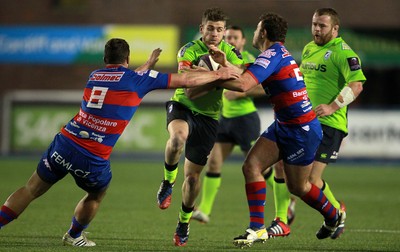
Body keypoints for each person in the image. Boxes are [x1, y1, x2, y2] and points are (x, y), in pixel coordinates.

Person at [0, 38, 239, 247]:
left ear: (106, 58)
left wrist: (147, 65)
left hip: (65, 141)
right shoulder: (138, 80)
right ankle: (74, 235)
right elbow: (184, 81)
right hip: (92, 155)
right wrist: (220, 74)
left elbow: (124, 77)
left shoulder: (95, 75)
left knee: (31, 189)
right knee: (96, 194)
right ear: (127, 58)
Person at [208, 12, 345, 248]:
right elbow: (246, 70)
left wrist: (210, 77)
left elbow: (243, 84)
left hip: (302, 130)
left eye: (256, 29)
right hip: (285, 125)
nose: (253, 33)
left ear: (263, 33)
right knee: (251, 166)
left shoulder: (272, 54)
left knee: (299, 187)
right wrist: (225, 63)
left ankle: (333, 216)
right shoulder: (275, 54)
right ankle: (257, 228)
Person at [155, 7, 244, 246]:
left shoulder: (231, 53)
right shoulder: (189, 50)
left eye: (219, 29)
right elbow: (188, 86)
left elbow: (243, 80)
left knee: (193, 179)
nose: (214, 33)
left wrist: (221, 67)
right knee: (177, 139)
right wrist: (221, 76)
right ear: (201, 29)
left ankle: (183, 222)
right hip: (182, 106)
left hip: (208, 117)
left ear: (224, 31)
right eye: (210, 28)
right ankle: (167, 182)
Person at [299, 7, 366, 239]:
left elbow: (356, 85)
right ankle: (333, 215)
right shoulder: (308, 48)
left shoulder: (344, 53)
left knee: (309, 181)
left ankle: (336, 213)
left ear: (335, 28)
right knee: (296, 178)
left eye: (322, 25)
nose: (317, 29)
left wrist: (331, 106)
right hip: (305, 122)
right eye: (314, 24)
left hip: (330, 124)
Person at [191, 25, 265, 224]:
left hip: (246, 119)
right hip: (225, 118)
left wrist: (244, 91)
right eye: (229, 37)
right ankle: (204, 211)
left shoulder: (248, 59)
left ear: (243, 41)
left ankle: (284, 203)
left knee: (259, 167)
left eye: (235, 37)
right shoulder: (216, 58)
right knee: (213, 163)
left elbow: (265, 88)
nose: (231, 40)